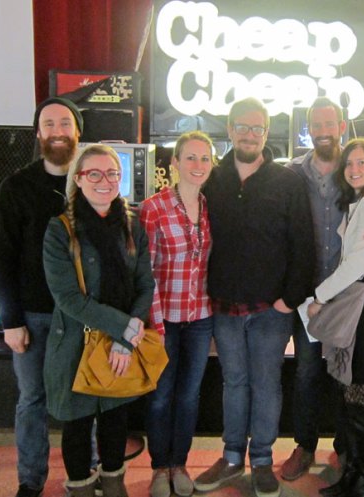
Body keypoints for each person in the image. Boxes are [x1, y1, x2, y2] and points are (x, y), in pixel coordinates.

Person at [193, 97, 314, 497]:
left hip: (271, 310)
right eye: (242, 127)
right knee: (234, 383)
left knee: (266, 385)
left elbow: (303, 244)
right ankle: (230, 457)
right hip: (224, 308)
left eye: (257, 128)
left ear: (266, 133)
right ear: (229, 130)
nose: (249, 134)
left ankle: (261, 460)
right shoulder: (211, 179)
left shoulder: (287, 181)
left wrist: (289, 299)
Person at [42, 144, 155, 497]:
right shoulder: (61, 231)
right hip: (76, 343)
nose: (104, 181)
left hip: (122, 344)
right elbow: (69, 299)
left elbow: (145, 285)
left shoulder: (132, 226)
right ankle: (80, 488)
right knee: (77, 425)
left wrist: (125, 339)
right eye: (94, 173)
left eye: (112, 173)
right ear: (78, 179)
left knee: (115, 422)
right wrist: (126, 327)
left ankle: (113, 485)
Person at [0, 97, 83, 497]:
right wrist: (10, 321)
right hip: (33, 316)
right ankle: (30, 480)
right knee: (32, 401)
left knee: (86, 398)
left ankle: (86, 473)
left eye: (66, 123)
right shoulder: (16, 187)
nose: (58, 131)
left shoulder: (95, 180)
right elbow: (1, 257)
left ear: (78, 131)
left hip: (83, 316)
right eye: (50, 124)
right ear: (38, 134)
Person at [307, 138, 364, 497]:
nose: (355, 169)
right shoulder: (360, 202)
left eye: (362, 162)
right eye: (349, 164)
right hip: (359, 303)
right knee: (351, 395)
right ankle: (355, 473)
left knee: (362, 395)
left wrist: (319, 296)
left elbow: (359, 263)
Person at [140, 131, 215, 497]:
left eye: (204, 158)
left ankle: (179, 464)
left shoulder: (211, 207)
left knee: (189, 395)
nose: (197, 165)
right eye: (190, 157)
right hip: (163, 317)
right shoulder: (153, 208)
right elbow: (145, 270)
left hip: (200, 316)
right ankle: (158, 467)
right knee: (160, 395)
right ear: (175, 163)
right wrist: (153, 322)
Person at [281, 97, 347, 481]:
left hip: (347, 295)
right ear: (309, 128)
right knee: (306, 372)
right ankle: (304, 446)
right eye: (316, 125)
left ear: (341, 125)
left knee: (343, 374)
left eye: (330, 123)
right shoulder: (291, 174)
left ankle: (343, 448)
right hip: (307, 296)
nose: (323, 131)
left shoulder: (358, 170)